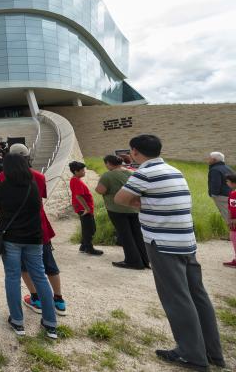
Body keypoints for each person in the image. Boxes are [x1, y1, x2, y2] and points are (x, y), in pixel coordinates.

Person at [115, 134, 225, 371]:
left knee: (177, 299)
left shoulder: (144, 173)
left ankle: (192, 355)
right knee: (198, 296)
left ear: (134, 152)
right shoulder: (174, 170)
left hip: (163, 244)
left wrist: (142, 204)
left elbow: (121, 198)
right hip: (186, 241)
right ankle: (213, 352)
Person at [0, 153, 57, 339]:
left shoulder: (2, 188)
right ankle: (50, 323)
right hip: (34, 238)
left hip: (11, 239)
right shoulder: (33, 187)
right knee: (40, 277)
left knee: (12, 278)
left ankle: (18, 321)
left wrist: (3, 210)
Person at [0, 144, 67, 317]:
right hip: (39, 227)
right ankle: (58, 300)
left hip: (15, 229)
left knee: (23, 267)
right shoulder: (39, 176)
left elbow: (2, 203)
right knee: (48, 264)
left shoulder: (3, 176)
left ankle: (36, 298)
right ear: (28, 157)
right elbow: (40, 199)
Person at [96, 155, 148, 270]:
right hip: (134, 209)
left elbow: (100, 190)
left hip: (117, 209)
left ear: (109, 163)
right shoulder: (132, 173)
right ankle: (145, 260)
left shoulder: (108, 175)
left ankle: (133, 261)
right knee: (138, 235)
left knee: (125, 235)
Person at [68, 161, 103, 256]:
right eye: (82, 170)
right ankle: (89, 248)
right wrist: (87, 209)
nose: (84, 172)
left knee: (87, 227)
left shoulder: (75, 180)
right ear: (76, 171)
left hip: (82, 208)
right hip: (83, 208)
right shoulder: (76, 181)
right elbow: (78, 196)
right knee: (90, 228)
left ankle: (83, 246)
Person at [207, 151, 233, 232]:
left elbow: (216, 183)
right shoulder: (229, 168)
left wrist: (213, 194)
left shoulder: (215, 170)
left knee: (228, 216)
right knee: (232, 215)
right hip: (231, 194)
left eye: (210, 158)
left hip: (221, 196)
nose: (208, 160)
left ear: (214, 160)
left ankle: (233, 235)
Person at [223, 174, 236, 268]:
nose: (226, 183)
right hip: (233, 222)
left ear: (233, 183)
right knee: (233, 238)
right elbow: (230, 208)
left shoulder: (234, 194)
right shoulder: (232, 194)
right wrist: (229, 219)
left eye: (227, 181)